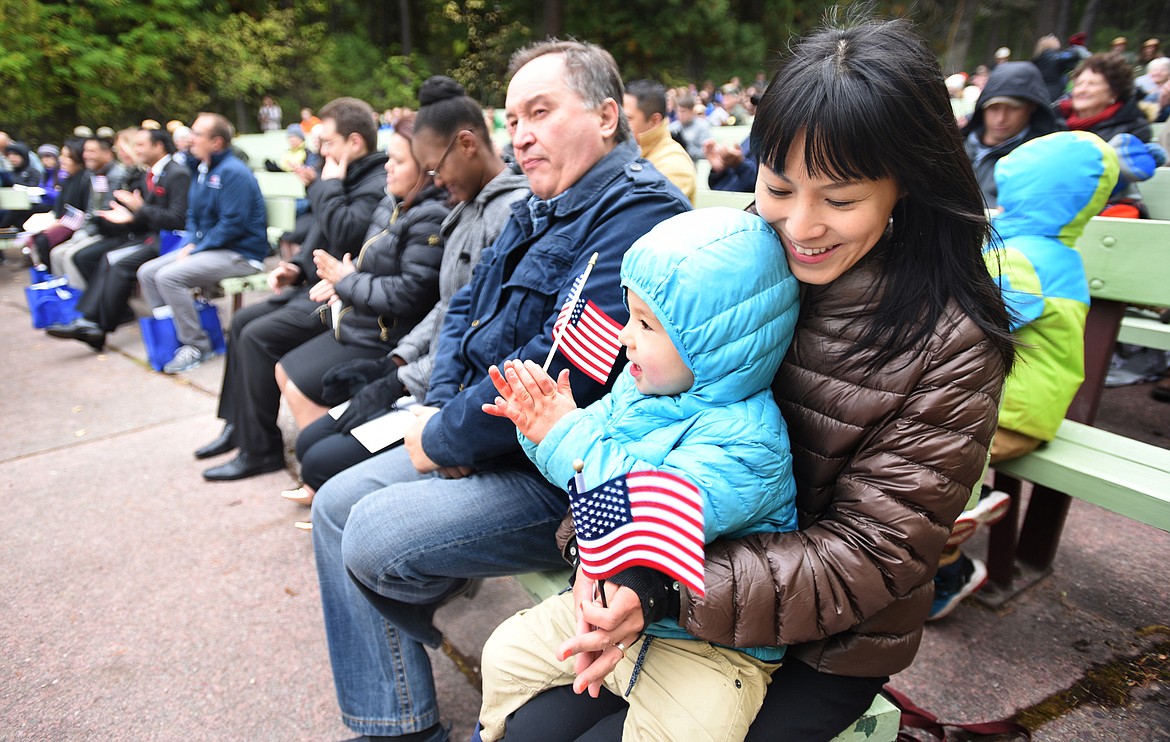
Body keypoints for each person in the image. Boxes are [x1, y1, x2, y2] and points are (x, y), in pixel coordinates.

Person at [501, 19, 1015, 741]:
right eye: (778, 186)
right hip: (670, 590)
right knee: (529, 729)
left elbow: (869, 557)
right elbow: (633, 422)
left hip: (826, 644)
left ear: (908, 183)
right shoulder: (738, 261)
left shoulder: (950, 343)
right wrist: (603, 558)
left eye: (839, 200)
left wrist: (658, 591)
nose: (800, 227)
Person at [309, 39, 689, 741]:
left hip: (567, 476)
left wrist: (446, 436)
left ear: (607, 116)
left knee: (364, 528)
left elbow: (552, 370)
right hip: (483, 431)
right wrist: (437, 416)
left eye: (540, 112)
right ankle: (394, 721)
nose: (520, 136)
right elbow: (464, 311)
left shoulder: (638, 219)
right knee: (335, 501)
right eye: (512, 118)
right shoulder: (542, 203)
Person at [477, 208, 800, 741]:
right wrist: (539, 428)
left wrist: (565, 435)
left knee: (694, 730)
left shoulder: (750, 440)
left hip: (710, 646)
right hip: (612, 611)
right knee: (505, 655)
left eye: (647, 325)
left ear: (714, 345)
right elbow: (579, 472)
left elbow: (645, 510)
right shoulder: (638, 390)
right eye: (630, 316)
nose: (626, 337)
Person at [286, 76, 530, 508]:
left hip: (456, 392)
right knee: (314, 441)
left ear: (468, 145)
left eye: (435, 166)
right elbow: (449, 306)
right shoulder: (467, 208)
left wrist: (403, 381)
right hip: (430, 380)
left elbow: (484, 334)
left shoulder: (506, 214)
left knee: (321, 458)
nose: (435, 179)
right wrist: (393, 362)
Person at [931, 130, 1121, 618]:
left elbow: (965, 320)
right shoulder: (1049, 253)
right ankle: (978, 499)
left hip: (1006, 415)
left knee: (932, 462)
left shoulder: (1025, 260)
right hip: (1019, 409)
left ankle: (949, 576)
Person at [196, 97, 389, 480]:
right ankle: (238, 426)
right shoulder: (342, 175)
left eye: (328, 142)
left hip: (344, 299)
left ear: (354, 142)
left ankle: (261, 449)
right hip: (317, 287)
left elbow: (348, 233)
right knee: (244, 321)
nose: (321, 150)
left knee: (257, 337)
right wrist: (295, 268)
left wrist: (326, 186)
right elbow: (321, 236)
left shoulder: (375, 180)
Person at [271, 113, 449, 439]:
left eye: (397, 160)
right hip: (360, 320)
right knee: (283, 368)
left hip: (386, 336)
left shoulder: (430, 215)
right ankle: (315, 452)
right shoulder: (392, 200)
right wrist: (345, 277)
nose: (387, 166)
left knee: (289, 374)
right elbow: (372, 260)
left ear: (427, 167)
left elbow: (412, 293)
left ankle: (323, 458)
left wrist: (346, 280)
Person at [137, 113, 268, 374]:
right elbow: (193, 216)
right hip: (212, 249)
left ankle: (197, 345)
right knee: (147, 273)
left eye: (197, 134)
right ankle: (173, 335)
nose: (189, 139)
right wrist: (192, 242)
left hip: (240, 254)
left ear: (217, 142)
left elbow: (233, 224)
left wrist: (198, 247)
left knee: (168, 277)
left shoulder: (233, 173)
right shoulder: (202, 168)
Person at [45, 129, 191, 352]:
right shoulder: (153, 173)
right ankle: (90, 322)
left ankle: (96, 327)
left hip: (168, 241)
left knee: (118, 262)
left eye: (141, 145)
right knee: (107, 258)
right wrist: (130, 217)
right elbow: (148, 217)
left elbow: (177, 219)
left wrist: (139, 210)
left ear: (159, 146)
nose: (137, 150)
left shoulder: (177, 173)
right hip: (149, 236)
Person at [1055, 53, 1166, 217]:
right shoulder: (1056, 121)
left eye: (1092, 84)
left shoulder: (1133, 126)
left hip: (1107, 206)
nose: (1081, 90)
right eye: (1078, 84)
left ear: (1114, 92)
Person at [962, 61, 1063, 208]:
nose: (1001, 118)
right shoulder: (956, 145)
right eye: (993, 108)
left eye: (1013, 108)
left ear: (1032, 107)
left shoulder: (1044, 159)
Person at [622, 79, 696, 203]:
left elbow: (642, 213)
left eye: (627, 118)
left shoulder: (674, 164)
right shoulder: (627, 149)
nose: (619, 124)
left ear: (655, 120)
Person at [1031, 34, 1082, 102]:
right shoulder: (1051, 56)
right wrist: (1076, 50)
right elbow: (1070, 56)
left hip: (1041, 93)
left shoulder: (1039, 58)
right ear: (1048, 44)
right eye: (1053, 39)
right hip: (1053, 95)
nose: (1056, 41)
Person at [669, 94, 712, 161]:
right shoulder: (672, 127)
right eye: (678, 111)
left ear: (691, 111)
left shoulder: (702, 126)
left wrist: (686, 147)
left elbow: (706, 153)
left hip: (694, 164)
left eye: (683, 111)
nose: (680, 114)